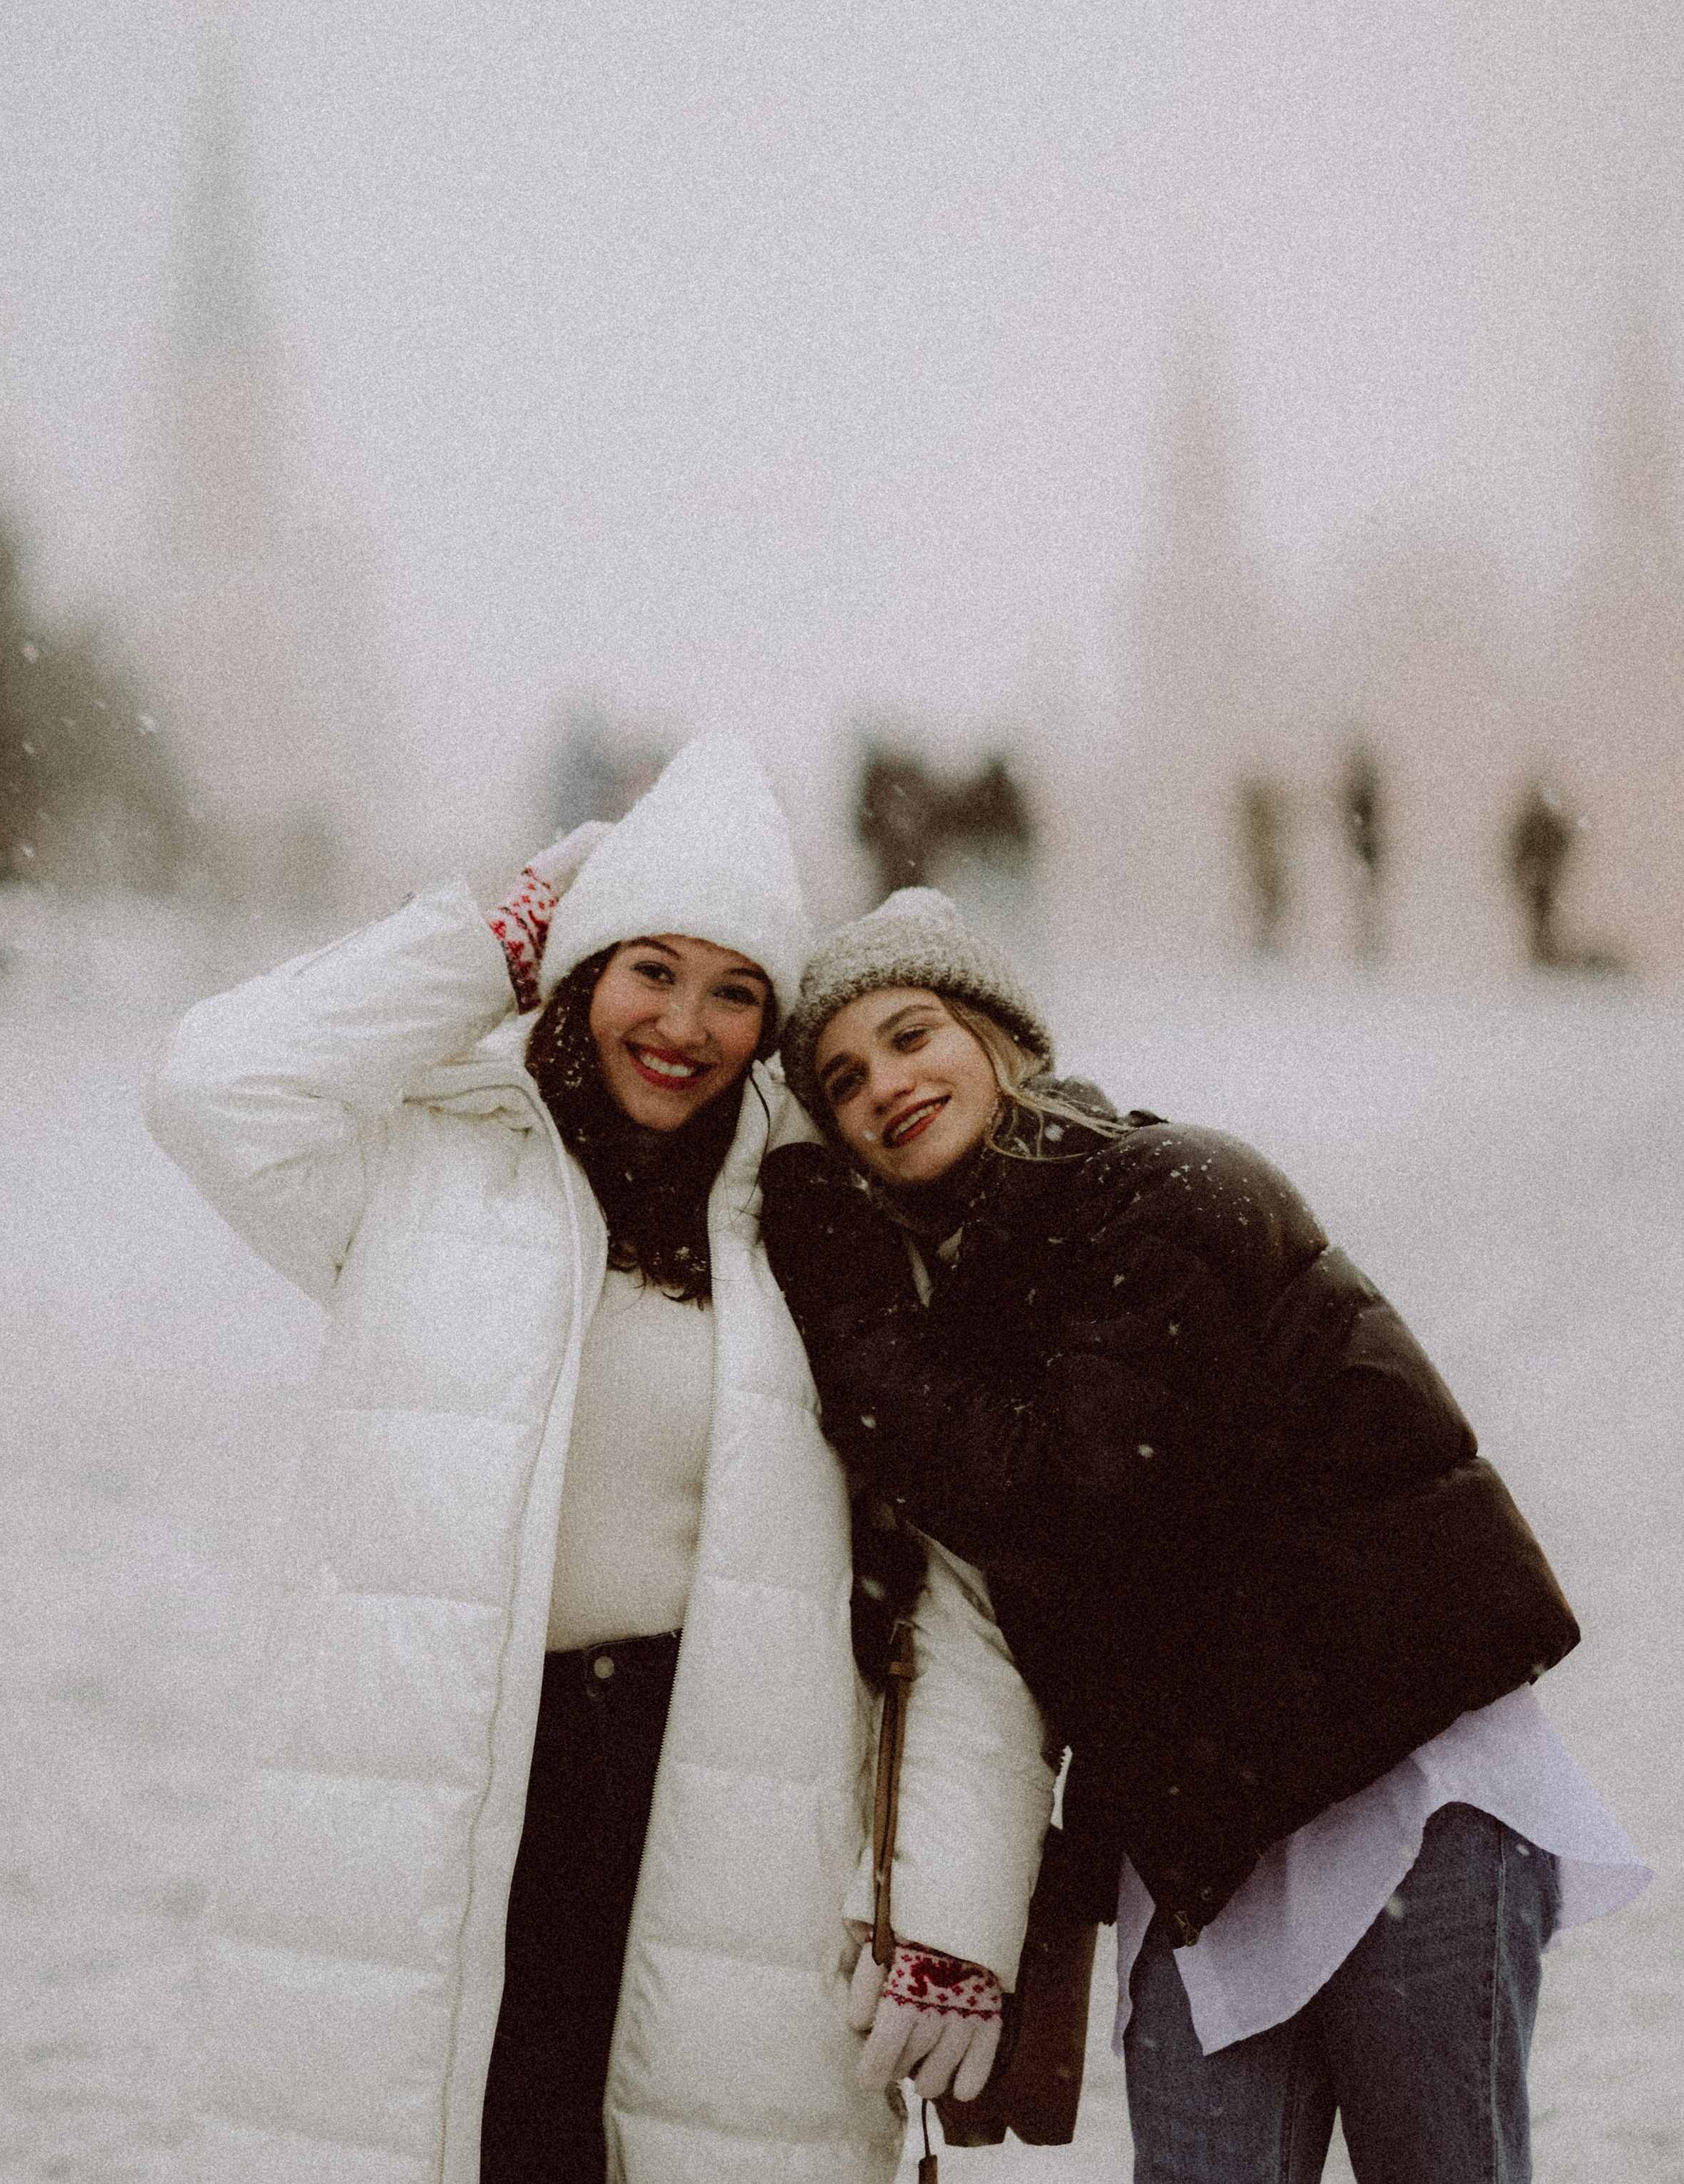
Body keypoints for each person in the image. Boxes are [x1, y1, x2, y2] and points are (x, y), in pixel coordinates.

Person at [145, 736, 1051, 2184]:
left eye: (735, 988)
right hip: (445, 1786)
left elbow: (957, 1583)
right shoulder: (432, 1164)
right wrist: (480, 948)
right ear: (577, 968)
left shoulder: (816, 1226)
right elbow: (213, 1087)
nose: (683, 1022)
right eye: (649, 967)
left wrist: (955, 1901)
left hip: (716, 1812)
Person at [761, 885, 1651, 2184]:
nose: (885, 1084)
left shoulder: (1168, 1193)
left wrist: (851, 1319)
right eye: (842, 1080)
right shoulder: (962, 1312)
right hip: (1201, 1840)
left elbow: (1065, 1496)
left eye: (914, 1034)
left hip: (1404, 1796)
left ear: (999, 1039)